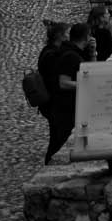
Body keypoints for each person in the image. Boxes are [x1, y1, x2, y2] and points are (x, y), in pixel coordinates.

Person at [38, 24, 83, 164]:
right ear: (61, 36)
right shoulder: (52, 55)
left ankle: (50, 162)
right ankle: (51, 163)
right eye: (68, 33)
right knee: (57, 139)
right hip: (54, 103)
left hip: (52, 103)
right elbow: (57, 81)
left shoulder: (50, 51)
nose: (70, 36)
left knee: (56, 137)